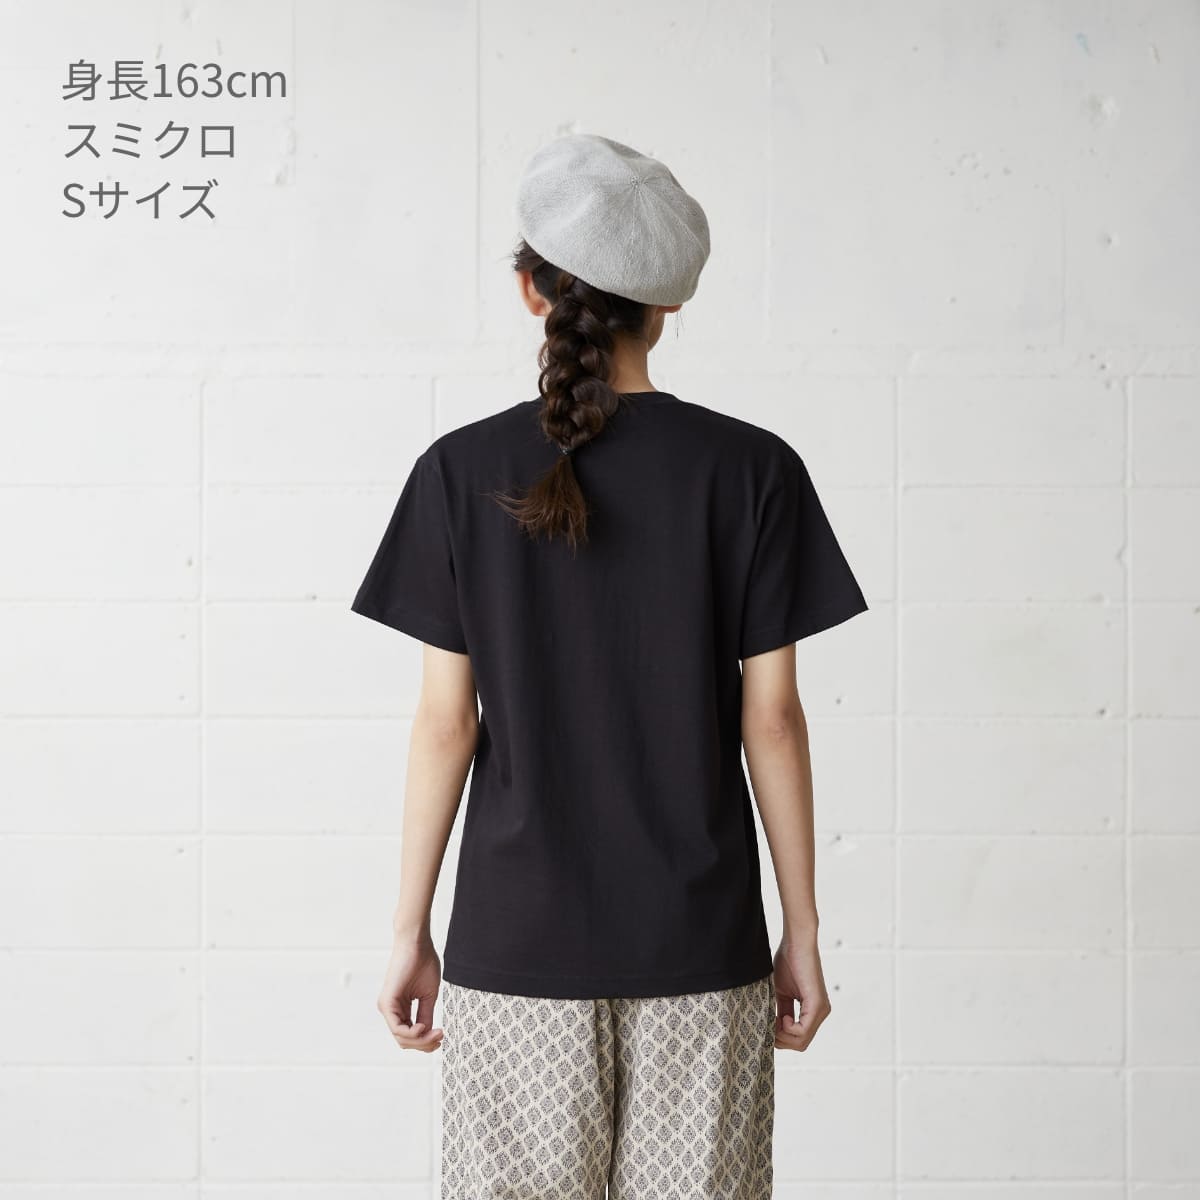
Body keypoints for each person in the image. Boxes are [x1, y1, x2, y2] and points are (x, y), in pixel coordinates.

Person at [350, 132, 869, 1200]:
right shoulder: (753, 471)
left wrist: (409, 930)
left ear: (532, 291)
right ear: (666, 306)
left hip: (515, 945)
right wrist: (803, 930)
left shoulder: (458, 472)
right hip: (702, 947)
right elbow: (772, 719)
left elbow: (446, 725)